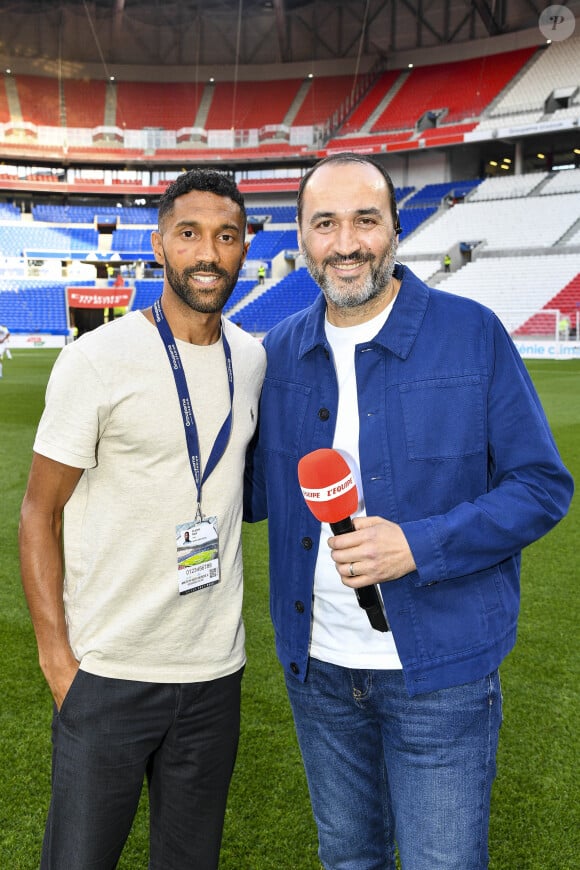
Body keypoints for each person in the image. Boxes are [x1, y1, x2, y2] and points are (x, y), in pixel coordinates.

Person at [244, 152, 574, 870]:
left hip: (443, 674)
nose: (346, 242)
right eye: (324, 223)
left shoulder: (471, 333)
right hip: (319, 671)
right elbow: (249, 495)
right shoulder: (278, 353)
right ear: (299, 236)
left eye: (366, 219)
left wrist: (418, 545)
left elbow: (541, 487)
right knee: (349, 859)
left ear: (395, 227)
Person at [19, 168, 266, 870]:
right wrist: (59, 662)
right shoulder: (96, 360)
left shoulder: (251, 359)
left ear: (245, 245)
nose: (208, 254)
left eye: (225, 236)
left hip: (214, 673)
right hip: (109, 672)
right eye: (189, 234)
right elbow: (39, 513)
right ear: (159, 245)